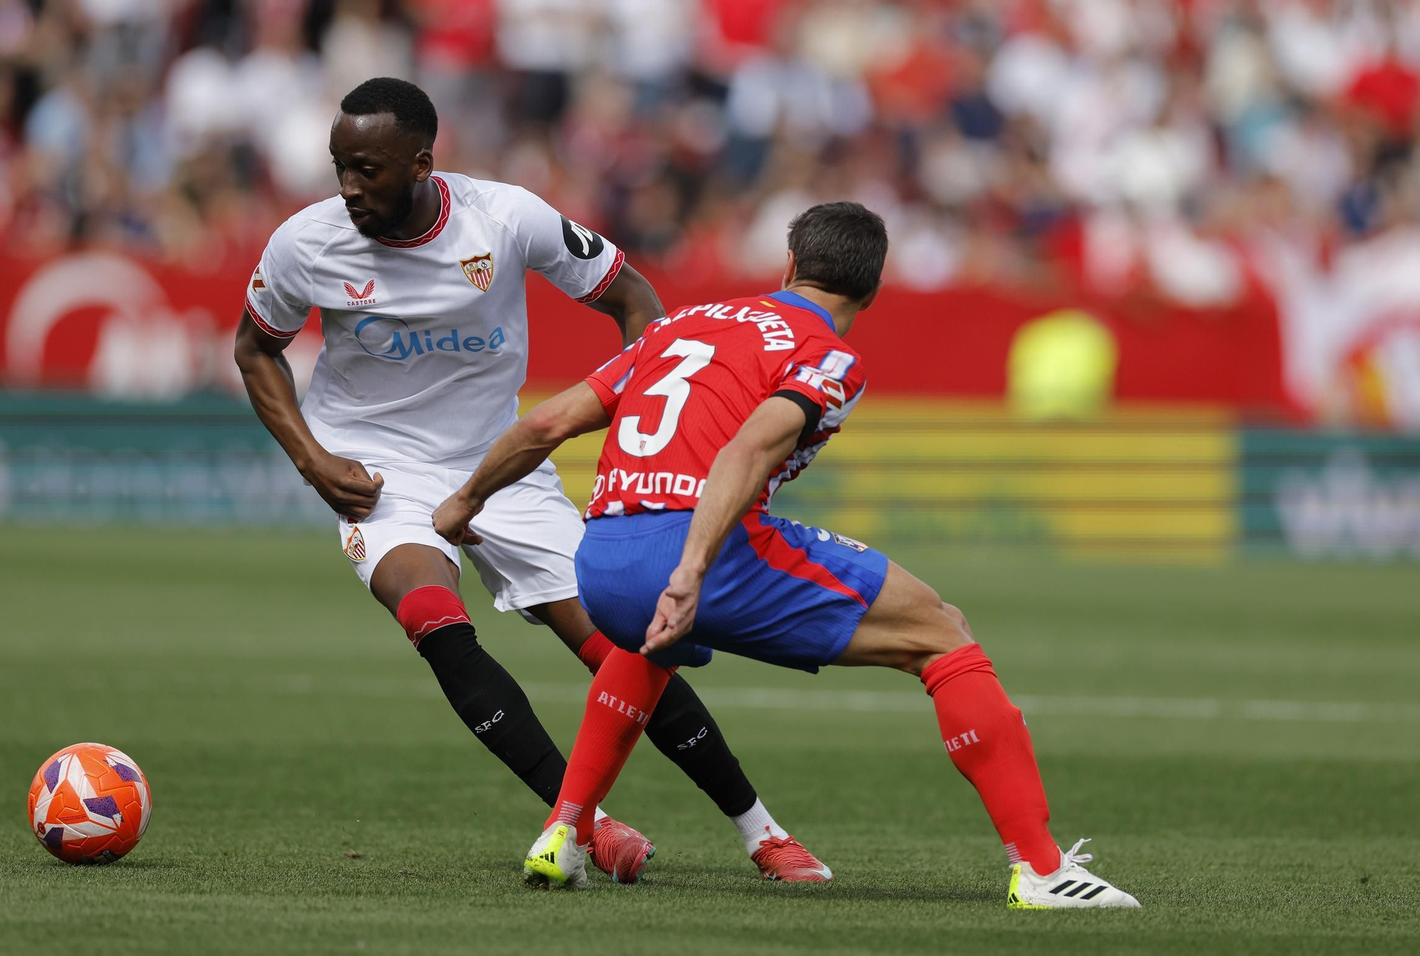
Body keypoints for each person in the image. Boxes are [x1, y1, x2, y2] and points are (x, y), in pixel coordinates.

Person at [432, 201, 1141, 907]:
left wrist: (466, 501)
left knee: (648, 643)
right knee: (941, 631)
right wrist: (690, 572)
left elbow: (551, 420)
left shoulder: (683, 321)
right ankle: (1043, 872)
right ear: (871, 292)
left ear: (791, 264)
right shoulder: (828, 353)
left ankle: (564, 832)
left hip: (602, 553)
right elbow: (748, 448)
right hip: (689, 543)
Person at [234, 77, 830, 883]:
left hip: (501, 465)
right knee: (434, 621)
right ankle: (582, 823)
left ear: (421, 162)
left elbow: (635, 301)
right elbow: (255, 348)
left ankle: (762, 832)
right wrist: (312, 460)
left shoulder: (505, 218)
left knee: (627, 641)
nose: (347, 187)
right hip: (378, 473)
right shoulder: (304, 243)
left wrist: (644, 418)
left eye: (366, 169)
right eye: (338, 165)